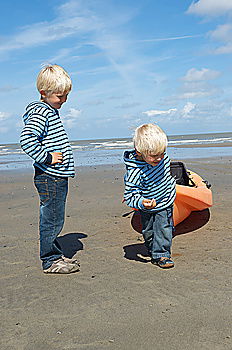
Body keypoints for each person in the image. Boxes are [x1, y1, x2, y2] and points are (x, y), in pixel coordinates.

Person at [20, 64, 80, 274]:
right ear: (43, 93)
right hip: (50, 176)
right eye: (60, 96)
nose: (63, 100)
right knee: (52, 218)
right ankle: (50, 260)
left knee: (55, 217)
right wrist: (47, 157)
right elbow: (27, 140)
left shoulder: (49, 110)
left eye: (66, 96)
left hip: (56, 176)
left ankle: (54, 252)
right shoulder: (40, 113)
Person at [123, 123, 176, 268]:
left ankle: (162, 255)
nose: (159, 159)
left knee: (163, 227)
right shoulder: (135, 172)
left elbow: (165, 174)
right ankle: (153, 248)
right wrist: (141, 202)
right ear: (139, 152)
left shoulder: (162, 158)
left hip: (165, 200)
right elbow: (130, 195)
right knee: (148, 230)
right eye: (154, 156)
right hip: (146, 204)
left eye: (162, 153)